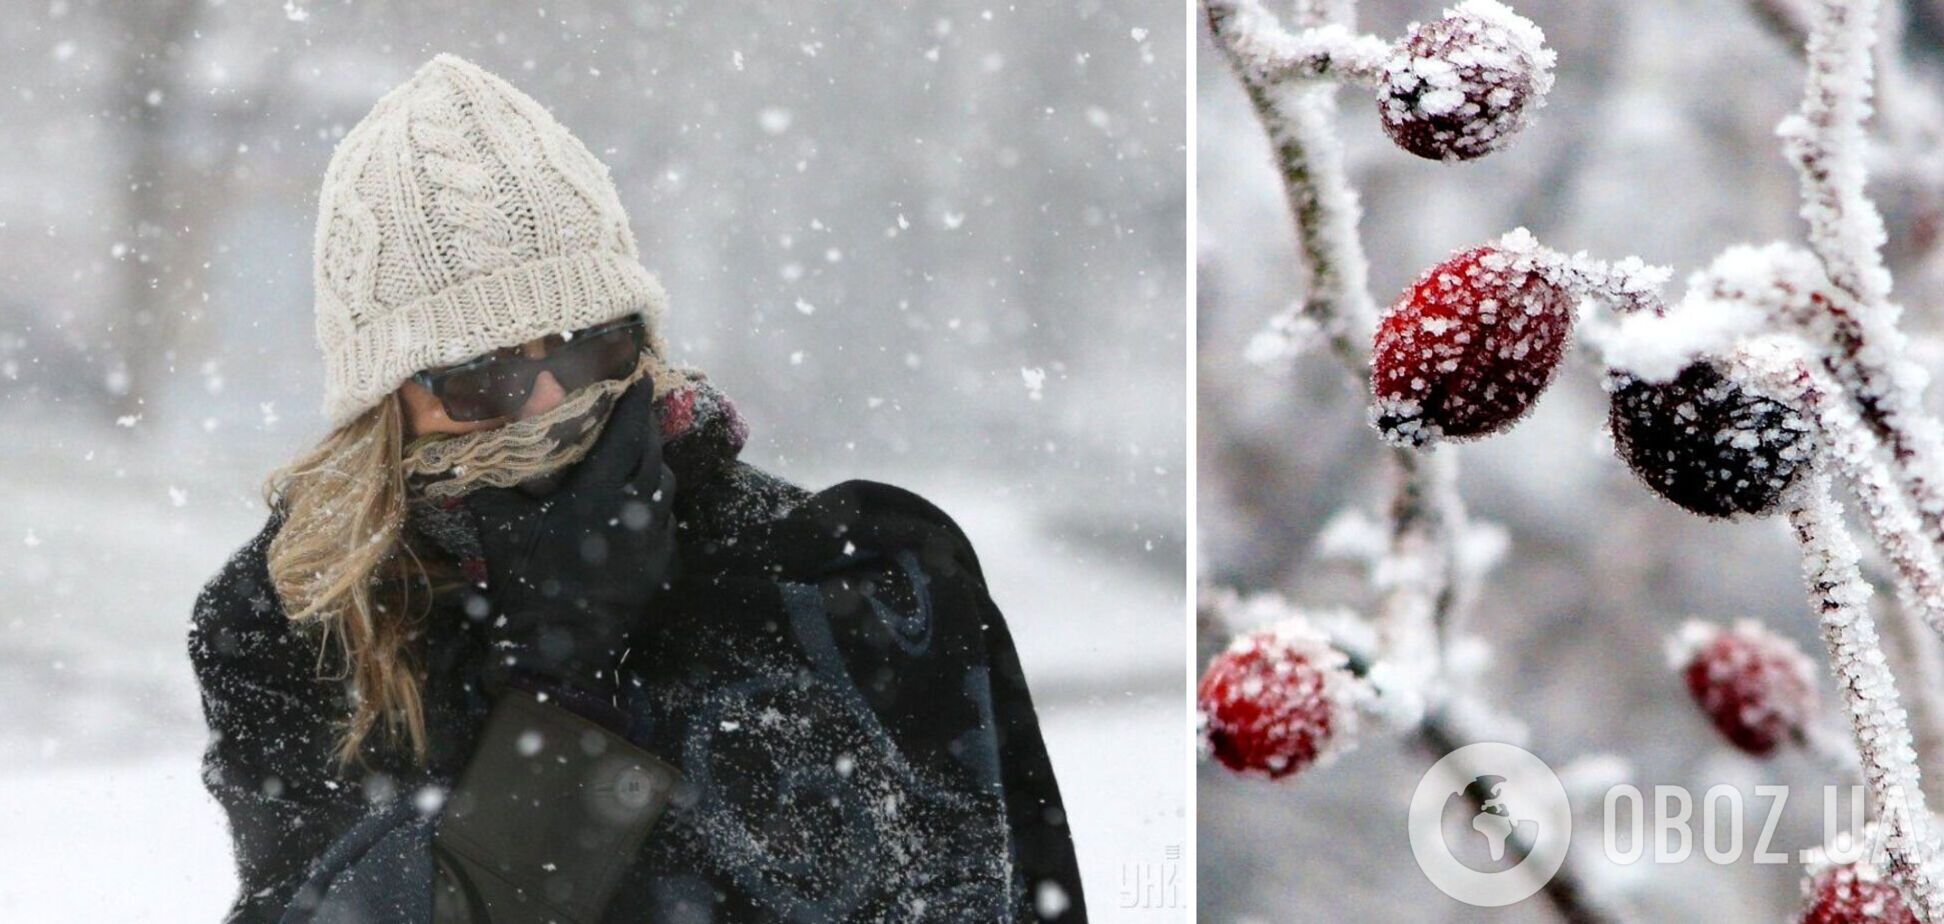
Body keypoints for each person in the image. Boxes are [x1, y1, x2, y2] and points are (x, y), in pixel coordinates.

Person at [188, 54, 1086, 923]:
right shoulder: (299, 622)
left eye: (591, 346)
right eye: (481, 377)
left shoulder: (841, 578)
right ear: (387, 406)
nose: (552, 402)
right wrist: (559, 682)